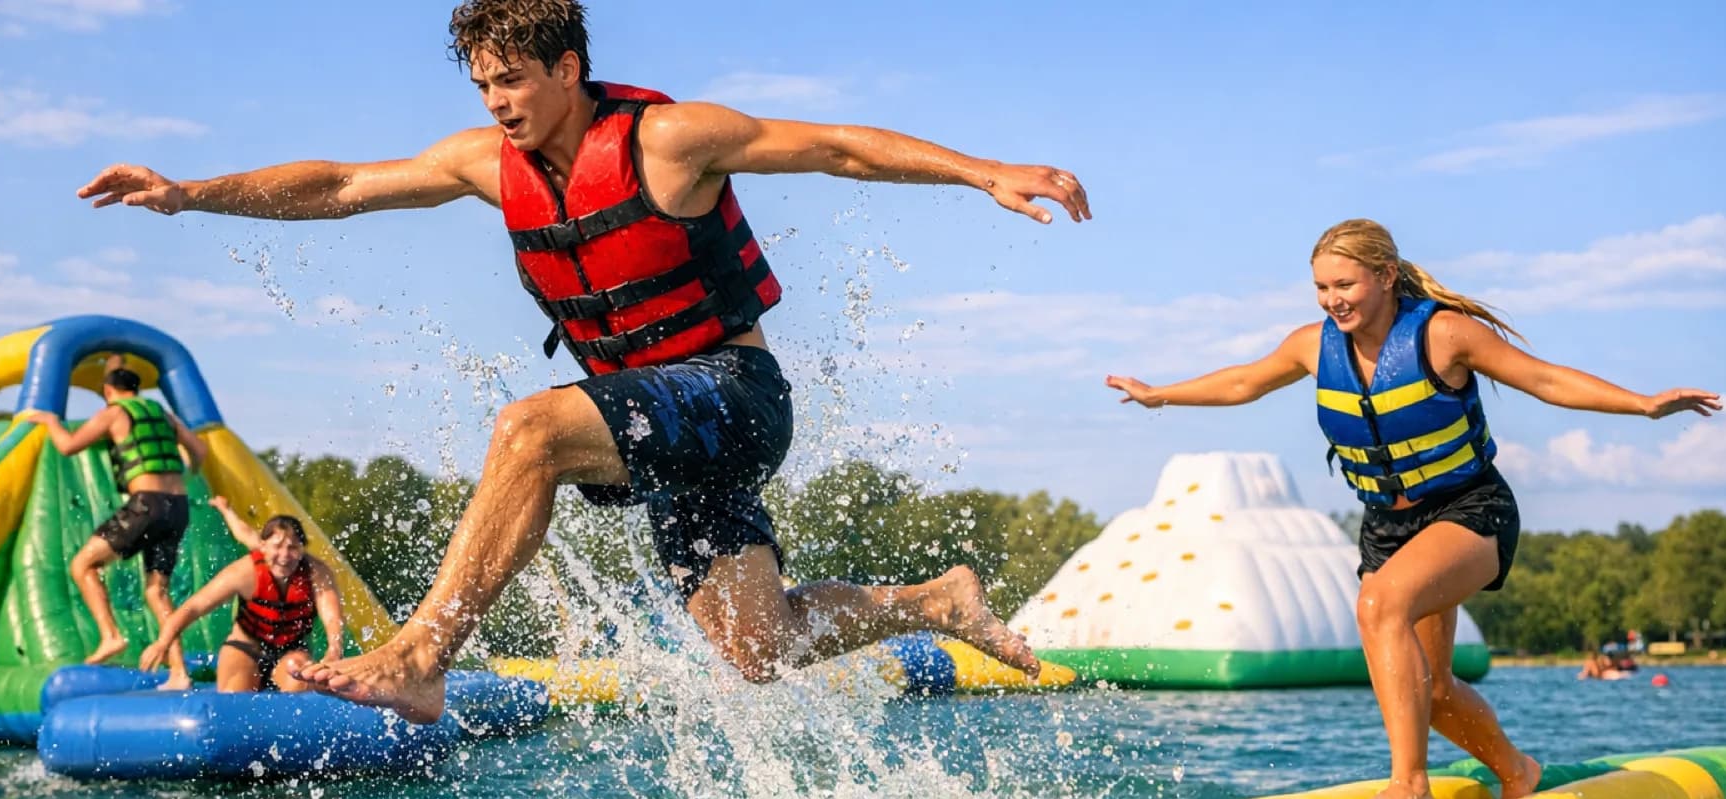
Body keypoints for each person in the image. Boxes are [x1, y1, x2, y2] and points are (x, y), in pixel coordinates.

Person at [77, 0, 1088, 722]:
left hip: (734, 396)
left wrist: (983, 170)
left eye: (513, 79)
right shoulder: (487, 162)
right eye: (483, 84)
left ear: (567, 68)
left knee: (530, 428)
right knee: (758, 650)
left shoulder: (669, 140)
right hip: (660, 427)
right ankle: (935, 601)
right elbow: (338, 184)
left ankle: (425, 653)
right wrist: (188, 192)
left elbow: (834, 148)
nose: (498, 103)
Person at [1103, 218, 1720, 799]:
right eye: (1321, 288)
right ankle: (1516, 772)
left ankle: (1410, 785)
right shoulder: (1312, 346)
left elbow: (1545, 378)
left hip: (1469, 510)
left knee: (1379, 607)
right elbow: (1242, 383)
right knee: (1432, 693)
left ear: (1386, 275)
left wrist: (1642, 405)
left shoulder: (1445, 335)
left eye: (1344, 285)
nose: (1331, 300)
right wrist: (1161, 394)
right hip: (1387, 526)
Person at [29, 367, 209, 688]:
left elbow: (68, 445)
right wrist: (190, 473)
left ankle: (111, 635)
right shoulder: (163, 414)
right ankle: (180, 673)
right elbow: (199, 451)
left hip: (147, 505)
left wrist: (50, 421)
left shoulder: (114, 413)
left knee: (83, 564)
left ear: (109, 391)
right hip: (177, 506)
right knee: (157, 591)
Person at [138, 504, 344, 692]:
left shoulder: (316, 573)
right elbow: (193, 608)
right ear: (262, 546)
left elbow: (332, 618)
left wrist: (334, 649)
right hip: (245, 648)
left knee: (299, 685)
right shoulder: (244, 572)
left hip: (291, 652)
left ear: (302, 550)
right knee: (235, 696)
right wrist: (162, 642)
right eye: (277, 546)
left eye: (292, 547)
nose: (284, 555)